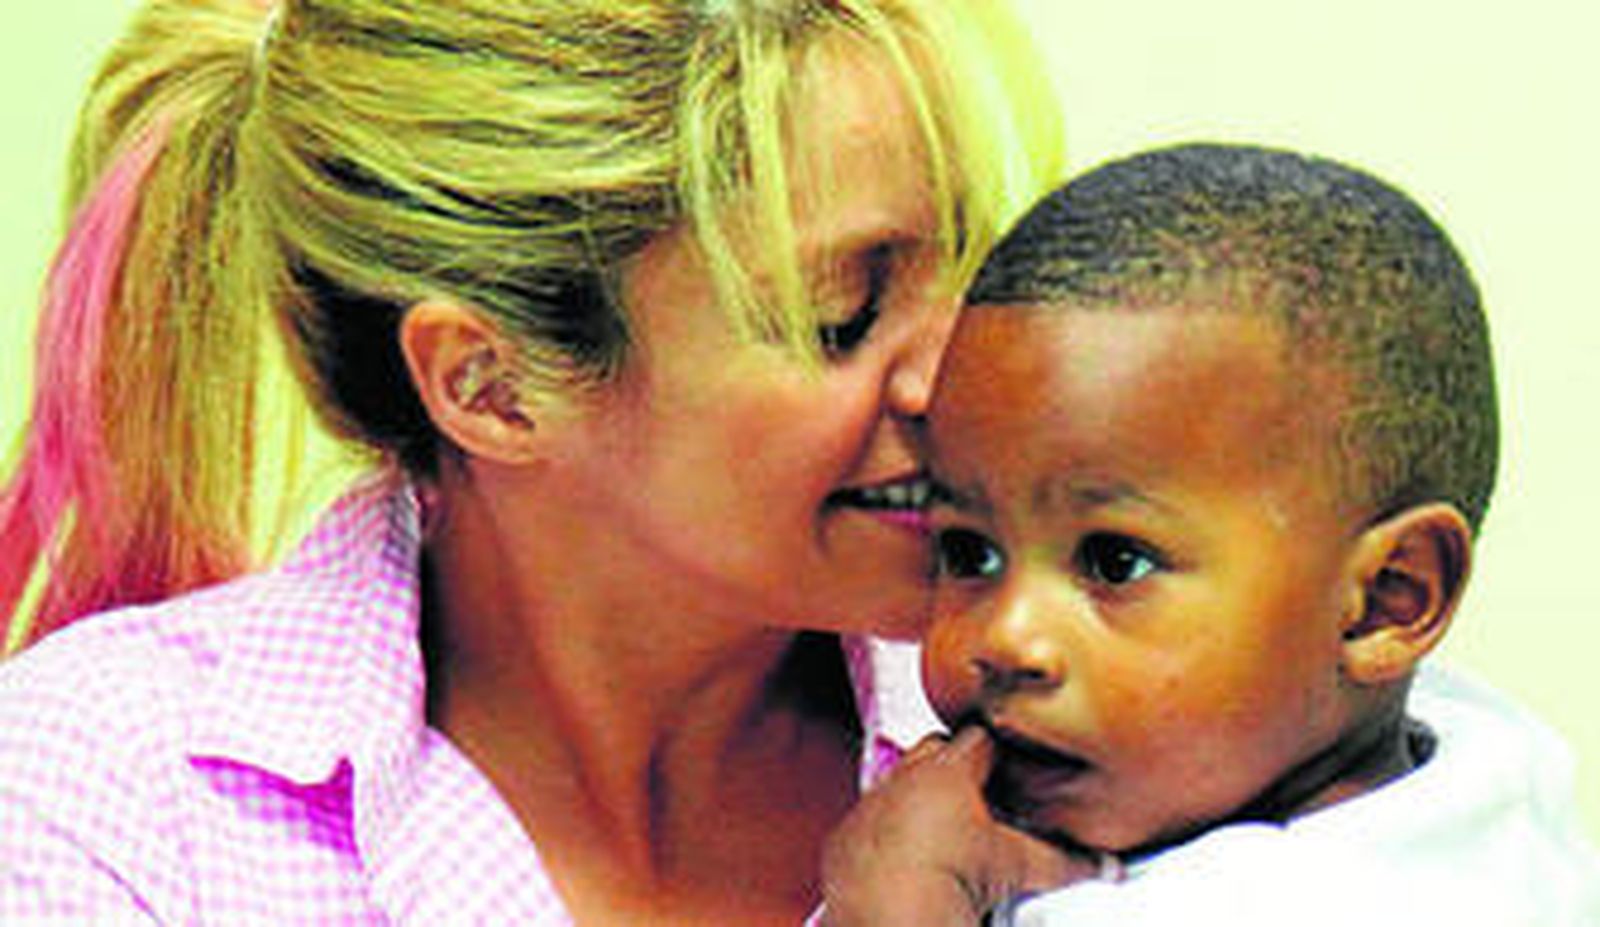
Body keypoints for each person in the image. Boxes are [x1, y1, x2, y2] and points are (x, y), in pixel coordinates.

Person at [0, 0, 1062, 922]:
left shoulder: (1092, 729)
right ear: (489, 388)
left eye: (973, 262)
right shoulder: (106, 805)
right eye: (841, 316)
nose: (963, 373)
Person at [819, 143, 1600, 926]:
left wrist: (893, 904)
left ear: (1386, 599)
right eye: (969, 552)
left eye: (1115, 561)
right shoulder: (1472, 765)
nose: (1006, 638)